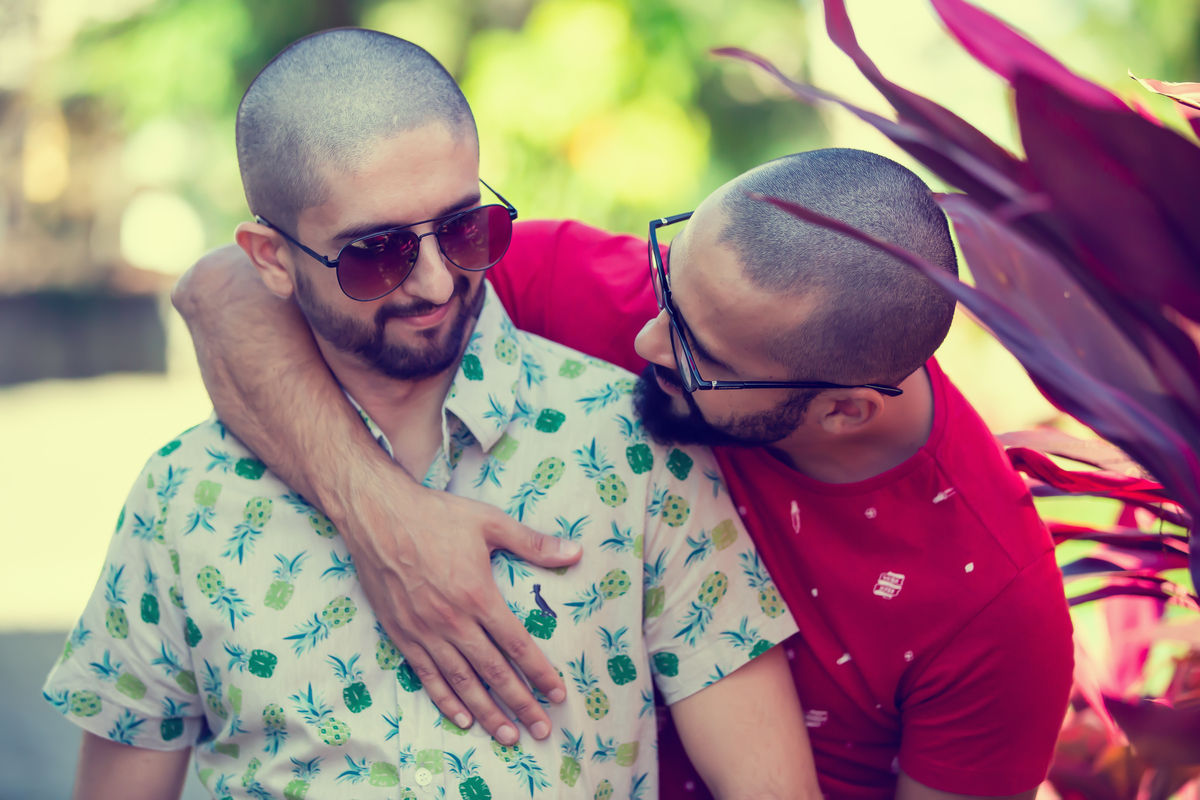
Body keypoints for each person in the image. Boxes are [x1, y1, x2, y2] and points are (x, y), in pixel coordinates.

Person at [173, 60, 1076, 800]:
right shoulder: (621, 299)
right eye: (666, 284)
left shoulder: (996, 610)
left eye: (691, 343)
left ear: (842, 409)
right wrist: (382, 518)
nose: (642, 336)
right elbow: (224, 287)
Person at [42, 30, 818, 800]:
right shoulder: (185, 496)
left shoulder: (631, 449)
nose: (438, 284)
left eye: (463, 229)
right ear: (271, 259)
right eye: (374, 253)